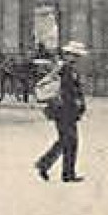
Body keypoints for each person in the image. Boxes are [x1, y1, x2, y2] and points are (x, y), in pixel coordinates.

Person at [35, 41, 87, 183]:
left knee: (67, 141)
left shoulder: (69, 68)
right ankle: (49, 166)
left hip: (68, 110)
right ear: (67, 55)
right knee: (69, 140)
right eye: (73, 55)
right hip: (62, 109)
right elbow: (65, 89)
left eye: (77, 56)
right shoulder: (63, 68)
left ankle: (63, 171)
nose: (75, 58)